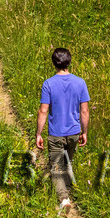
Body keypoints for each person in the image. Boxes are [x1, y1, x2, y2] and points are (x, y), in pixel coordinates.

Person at [34, 47, 89, 201]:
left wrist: (38, 134)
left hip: (56, 133)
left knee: (57, 168)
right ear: (69, 62)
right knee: (67, 161)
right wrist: (84, 132)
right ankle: (68, 189)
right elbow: (84, 111)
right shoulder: (80, 83)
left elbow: (43, 111)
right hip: (74, 132)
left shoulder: (48, 84)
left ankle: (63, 199)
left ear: (54, 63)